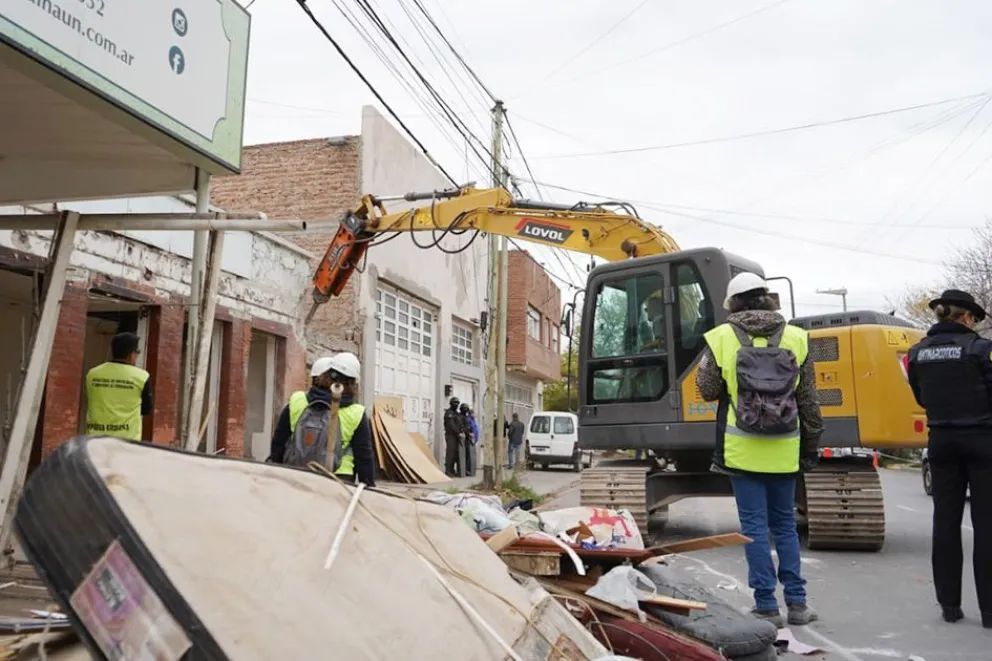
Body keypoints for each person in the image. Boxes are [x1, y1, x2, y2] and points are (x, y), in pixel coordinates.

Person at [696, 272, 822, 628]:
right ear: (767, 298)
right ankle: (797, 604)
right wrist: (811, 446)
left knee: (753, 527)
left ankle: (766, 605)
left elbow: (707, 389)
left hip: (742, 449)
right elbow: (809, 401)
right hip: (785, 449)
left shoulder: (720, 337)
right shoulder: (797, 338)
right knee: (785, 525)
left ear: (733, 303)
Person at [907, 289, 992, 628]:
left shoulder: (917, 353)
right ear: (967, 317)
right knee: (986, 525)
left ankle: (949, 606)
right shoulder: (982, 349)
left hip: (940, 441)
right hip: (983, 441)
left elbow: (920, 397)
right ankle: (989, 611)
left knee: (945, 522)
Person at [268, 353, 375, 487]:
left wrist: (274, 470)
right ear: (353, 382)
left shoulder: (297, 400)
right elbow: (364, 457)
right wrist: (368, 486)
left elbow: (279, 441)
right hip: (339, 478)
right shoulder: (356, 413)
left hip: (297, 472)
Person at [85, 332, 152, 441]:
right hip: (127, 440)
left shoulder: (92, 374)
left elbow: (91, 398)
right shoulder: (142, 377)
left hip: (96, 439)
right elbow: (146, 409)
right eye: (137, 352)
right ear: (131, 354)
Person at [444, 397, 467, 476]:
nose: (456, 404)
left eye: (457, 403)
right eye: (455, 403)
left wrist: (462, 430)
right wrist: (458, 433)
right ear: (451, 403)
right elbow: (451, 425)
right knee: (450, 453)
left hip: (457, 436)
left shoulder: (457, 413)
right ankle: (448, 470)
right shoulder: (449, 413)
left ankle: (452, 470)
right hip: (450, 435)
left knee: (456, 454)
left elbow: (460, 423)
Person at [460, 403, 479, 476]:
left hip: (473, 440)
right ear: (471, 413)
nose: (475, 415)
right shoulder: (468, 419)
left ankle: (470, 469)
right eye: (473, 413)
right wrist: (470, 434)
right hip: (468, 439)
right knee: (468, 455)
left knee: (471, 455)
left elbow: (475, 429)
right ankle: (467, 470)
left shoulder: (473, 420)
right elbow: (468, 429)